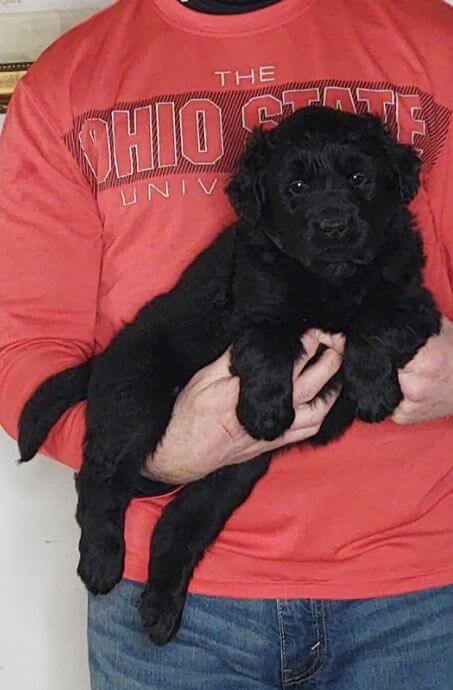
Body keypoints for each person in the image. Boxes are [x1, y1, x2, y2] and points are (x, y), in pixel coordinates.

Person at [0, 0, 452, 687]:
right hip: (171, 610)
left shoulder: (431, 40)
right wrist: (159, 456)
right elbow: (21, 341)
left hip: (422, 594)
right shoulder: (69, 80)